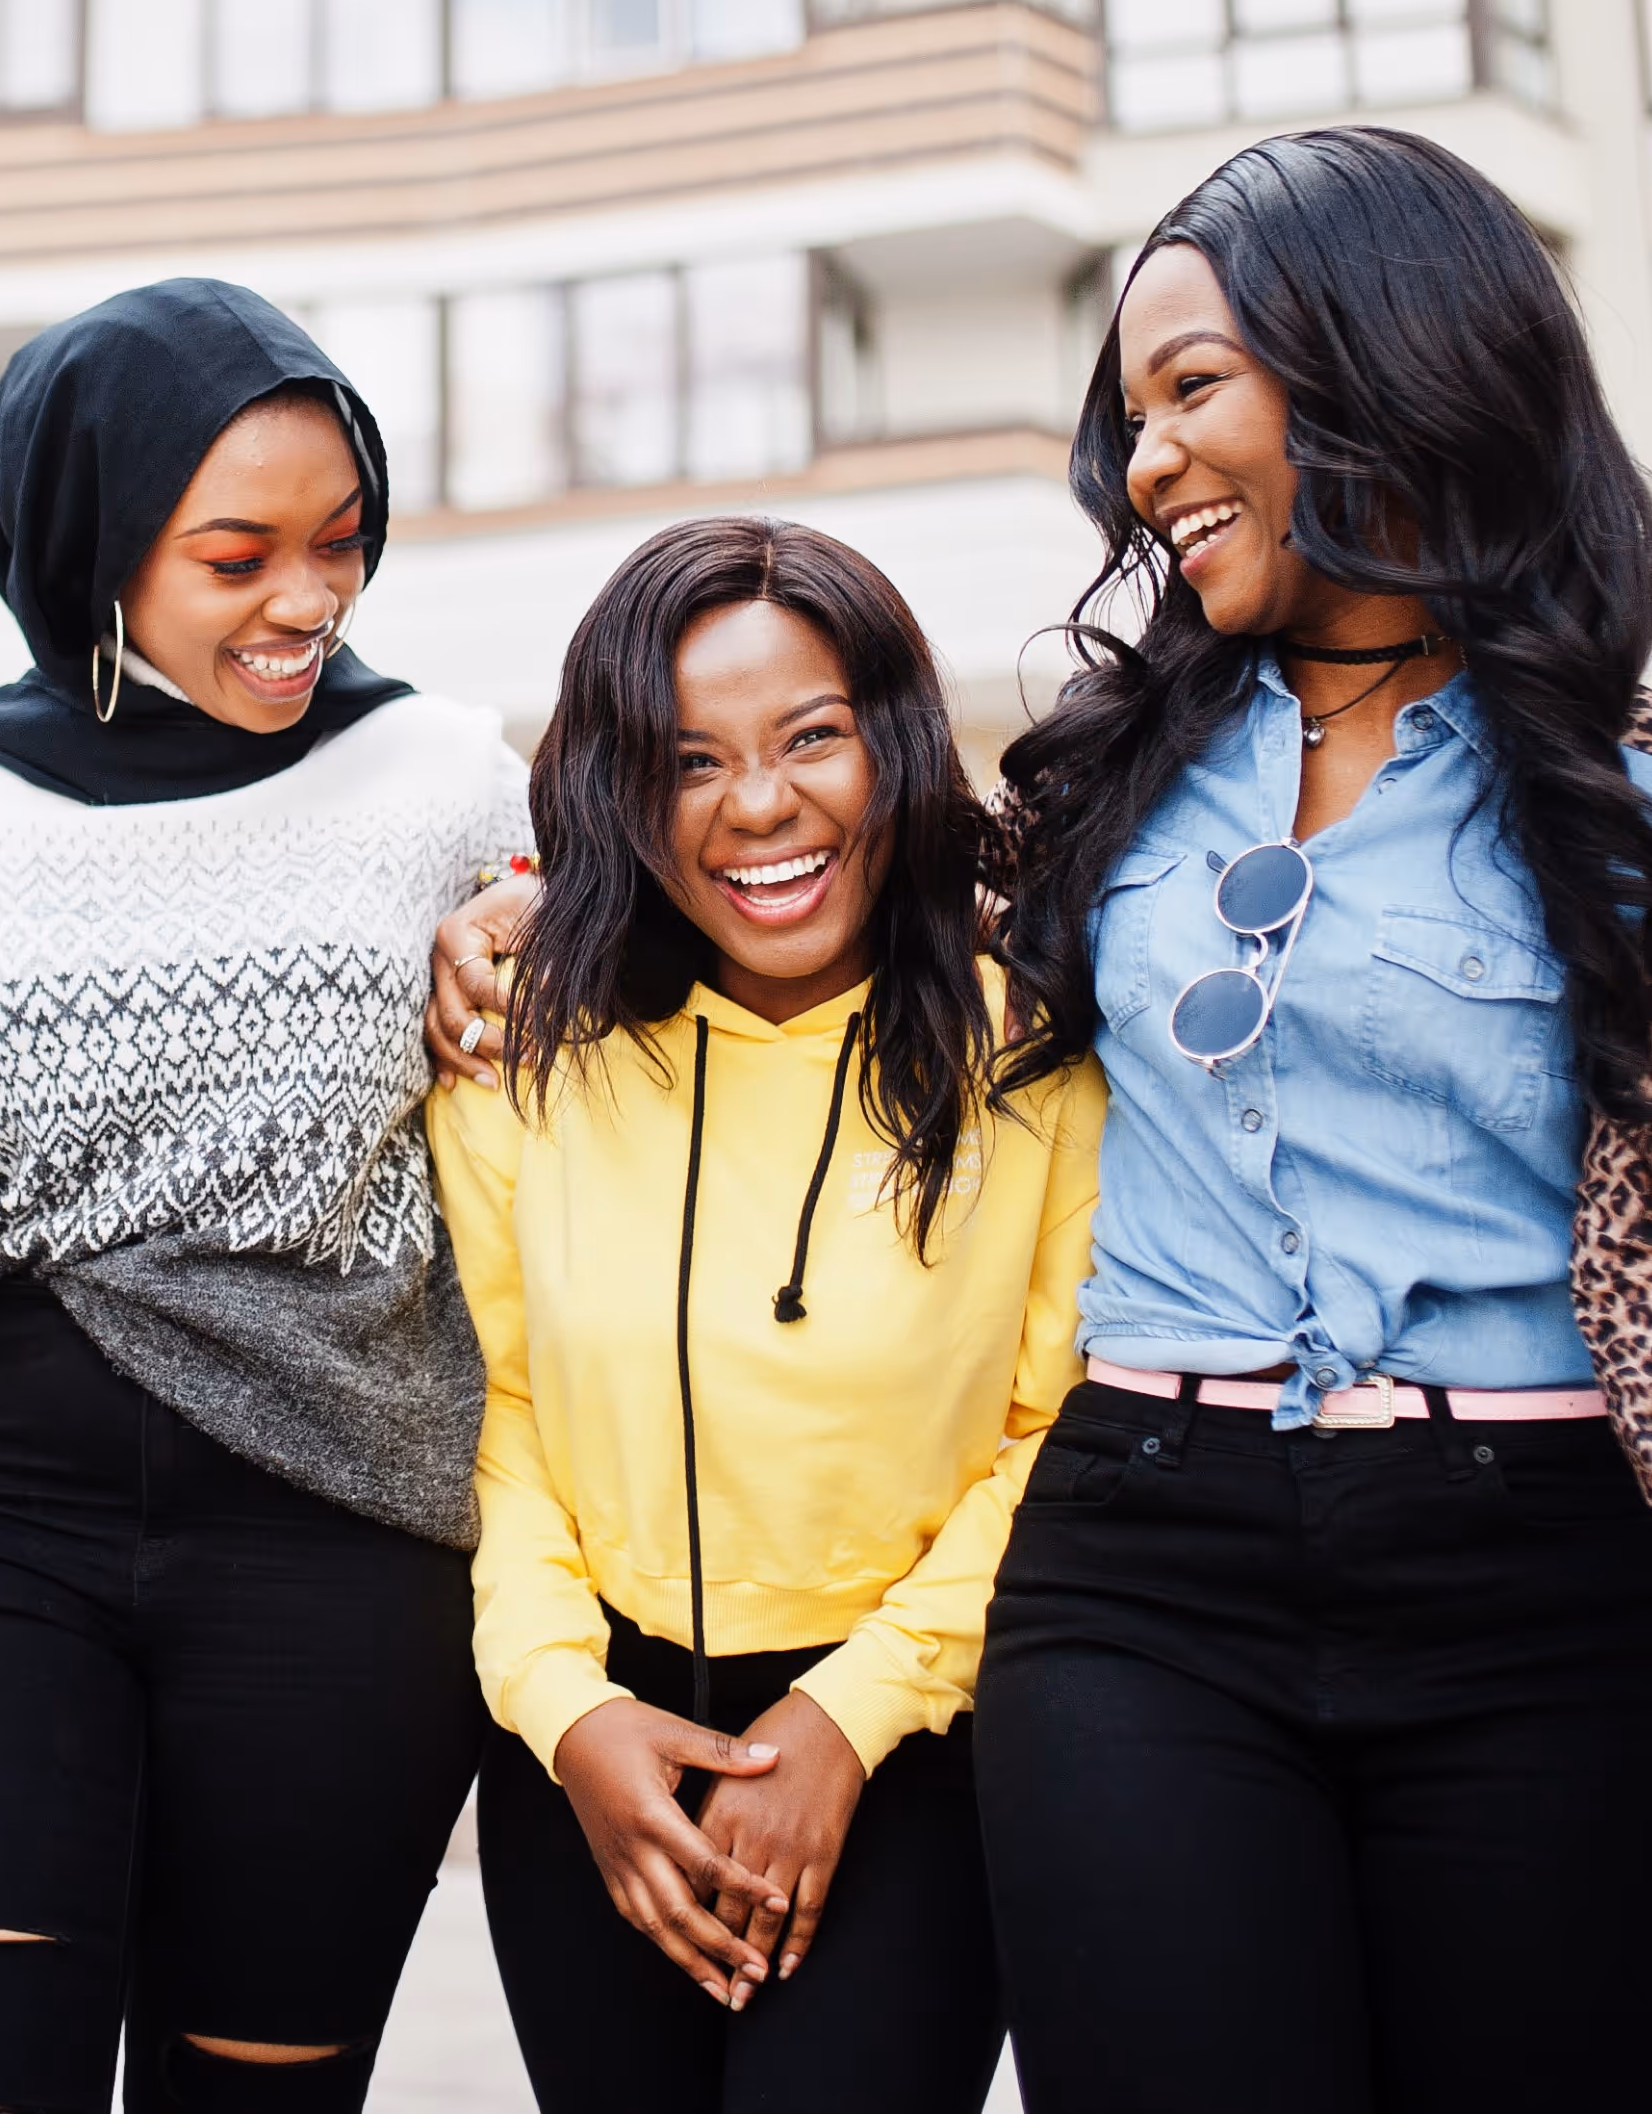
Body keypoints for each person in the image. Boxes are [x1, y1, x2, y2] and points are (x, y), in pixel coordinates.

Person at [958, 129, 1652, 2110]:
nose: (1144, 465)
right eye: (1129, 418)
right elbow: (771, 906)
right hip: (1137, 1579)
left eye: (1190, 387)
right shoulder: (1092, 789)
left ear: (1385, 357)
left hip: (1538, 1603)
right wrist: (527, 915)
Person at [0, 278, 530, 2114]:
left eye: (342, 542)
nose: (304, 600)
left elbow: (593, 1059)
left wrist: (548, 917)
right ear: (93, 539)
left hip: (337, 1546)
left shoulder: (446, 784)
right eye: (236, 552)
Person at [425, 517, 1101, 2114]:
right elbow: (497, 1411)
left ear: (896, 743)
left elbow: (1056, 1433)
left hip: (913, 1746)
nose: (758, 806)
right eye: (687, 761)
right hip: (591, 1755)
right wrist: (566, 1710)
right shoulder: (522, 1044)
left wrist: (848, 1719)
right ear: (617, 795)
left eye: (811, 738)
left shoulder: (1035, 1051)